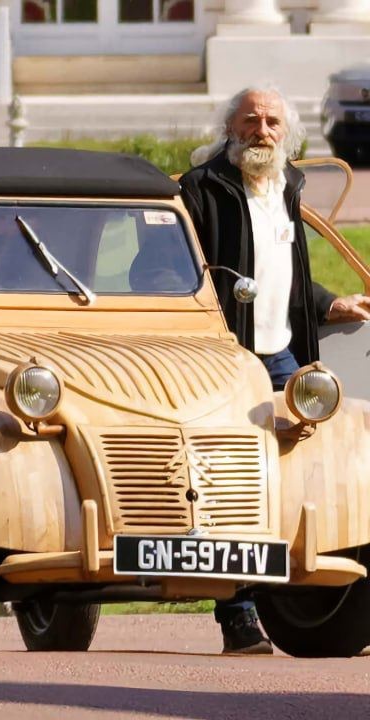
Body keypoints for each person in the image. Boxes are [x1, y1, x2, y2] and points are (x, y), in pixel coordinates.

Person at [180, 86, 370, 655]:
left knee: (317, 464)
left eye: (272, 122)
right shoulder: (201, 189)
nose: (262, 130)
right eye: (251, 120)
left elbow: (284, 275)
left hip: (284, 355)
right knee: (230, 481)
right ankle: (237, 617)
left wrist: (328, 302)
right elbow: (167, 268)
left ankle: (323, 604)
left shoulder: (287, 187)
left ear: (286, 132)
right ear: (230, 129)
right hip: (225, 358)